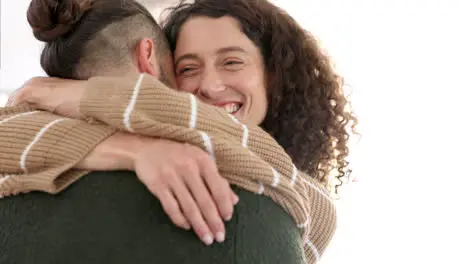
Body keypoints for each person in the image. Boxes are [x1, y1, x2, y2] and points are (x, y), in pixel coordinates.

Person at [1, 0, 357, 262]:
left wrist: (82, 93)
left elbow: (310, 201)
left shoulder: (302, 194)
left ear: (274, 77)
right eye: (188, 68)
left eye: (232, 62)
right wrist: (130, 148)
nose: (211, 86)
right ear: (154, 63)